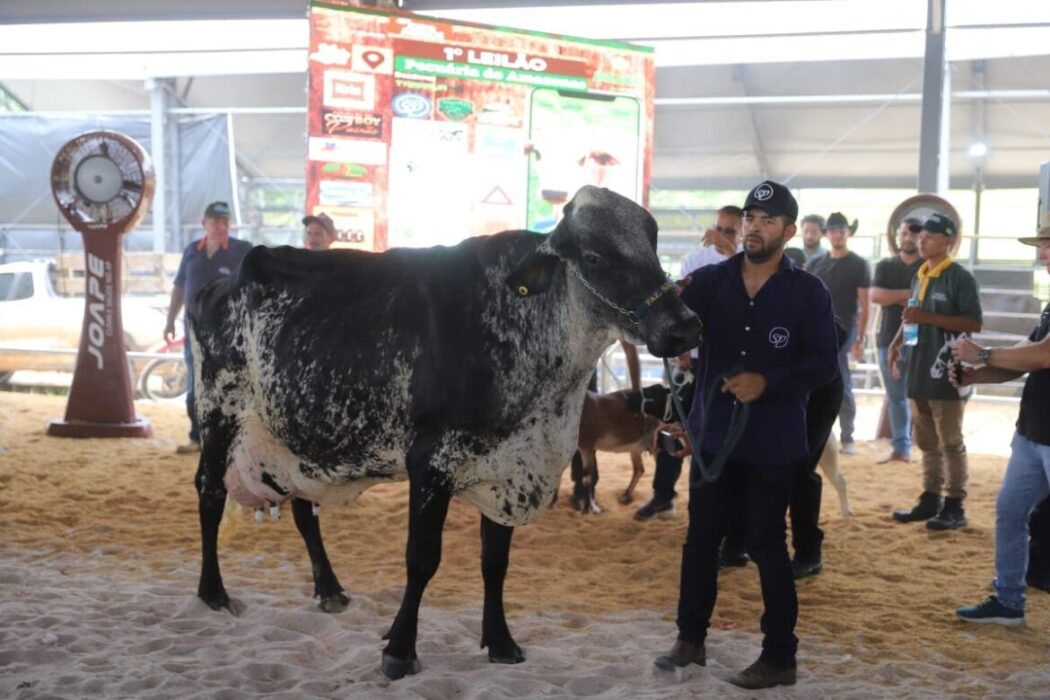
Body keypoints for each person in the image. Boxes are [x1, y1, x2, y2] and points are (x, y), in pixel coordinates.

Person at [653, 181, 838, 689]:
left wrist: (769, 382)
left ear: (788, 230)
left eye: (767, 220)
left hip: (773, 441)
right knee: (701, 540)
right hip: (714, 437)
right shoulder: (711, 281)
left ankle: (780, 656)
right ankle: (690, 639)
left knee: (766, 543)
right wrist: (667, 305)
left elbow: (823, 365)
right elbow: (670, 332)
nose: (755, 227)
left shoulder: (808, 292)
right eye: (751, 218)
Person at [952, 225, 1050, 625]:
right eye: (1043, 246)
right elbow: (1028, 354)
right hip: (1033, 432)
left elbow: (1043, 356)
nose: (1043, 254)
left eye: (1047, 245)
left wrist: (984, 352)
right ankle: (1010, 600)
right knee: (1010, 512)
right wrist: (979, 372)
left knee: (1013, 513)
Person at [635, 205, 742, 520]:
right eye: (718, 228)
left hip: (731, 366)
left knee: (718, 436)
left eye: (729, 231)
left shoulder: (748, 264)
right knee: (673, 425)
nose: (720, 235)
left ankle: (717, 507)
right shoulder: (696, 260)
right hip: (695, 361)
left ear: (742, 234)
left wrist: (730, 250)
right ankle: (663, 496)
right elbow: (680, 307)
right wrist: (681, 349)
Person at [888, 213, 982, 530]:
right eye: (919, 234)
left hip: (948, 371)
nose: (921, 239)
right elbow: (912, 315)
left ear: (949, 241)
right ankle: (930, 498)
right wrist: (897, 342)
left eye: (929, 235)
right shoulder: (921, 273)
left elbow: (973, 323)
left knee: (951, 441)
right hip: (918, 368)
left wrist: (926, 318)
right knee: (926, 440)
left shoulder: (959, 278)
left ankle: (955, 504)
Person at [164, 201, 253, 454]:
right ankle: (197, 437)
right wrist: (170, 319)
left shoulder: (242, 250)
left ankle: (230, 442)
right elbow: (180, 287)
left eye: (225, 221)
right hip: (194, 331)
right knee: (195, 387)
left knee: (229, 386)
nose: (221, 226)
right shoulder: (192, 251)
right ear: (204, 224)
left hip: (227, 334)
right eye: (215, 221)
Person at [808, 213, 871, 455]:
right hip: (817, 329)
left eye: (841, 229)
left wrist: (861, 339)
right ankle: (820, 432)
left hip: (845, 331)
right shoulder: (816, 263)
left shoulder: (858, 264)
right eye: (833, 229)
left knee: (840, 378)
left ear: (848, 232)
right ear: (827, 233)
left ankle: (848, 435)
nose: (838, 233)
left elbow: (865, 305)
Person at [870, 217, 923, 463]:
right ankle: (902, 448)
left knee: (920, 395)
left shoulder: (926, 266)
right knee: (896, 396)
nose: (907, 238)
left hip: (922, 340)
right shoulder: (886, 265)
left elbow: (924, 300)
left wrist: (895, 297)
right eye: (904, 234)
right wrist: (907, 295)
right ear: (898, 236)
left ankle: (924, 446)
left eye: (913, 234)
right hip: (887, 337)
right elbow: (875, 295)